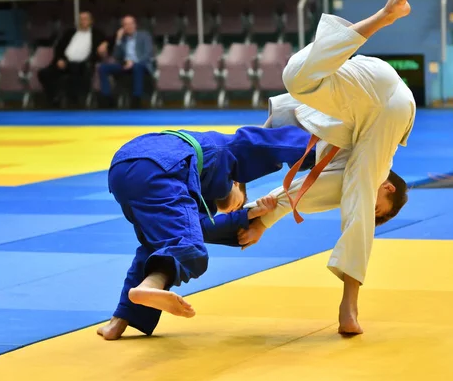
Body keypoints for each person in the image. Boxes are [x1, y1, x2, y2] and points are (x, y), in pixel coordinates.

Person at [239, 0, 415, 335]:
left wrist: (264, 215)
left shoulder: (355, 166)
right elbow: (358, 194)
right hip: (386, 93)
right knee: (358, 192)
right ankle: (383, 17)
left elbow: (311, 189)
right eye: (381, 210)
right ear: (390, 188)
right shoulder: (376, 160)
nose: (373, 215)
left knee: (296, 77)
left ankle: (348, 301)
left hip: (365, 99)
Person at [97, 125, 316, 340]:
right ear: (238, 183)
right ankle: (147, 286)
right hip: (163, 166)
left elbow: (201, 228)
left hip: (121, 169)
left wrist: (249, 218)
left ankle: (119, 321)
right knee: (191, 252)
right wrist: (319, 149)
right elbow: (266, 142)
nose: (231, 210)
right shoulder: (227, 150)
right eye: (238, 206)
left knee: (155, 245)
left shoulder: (199, 187)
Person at [37, 11, 108, 108]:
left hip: (83, 64)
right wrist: (60, 59)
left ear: (91, 21)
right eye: (80, 19)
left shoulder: (97, 34)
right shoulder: (70, 32)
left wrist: (105, 43)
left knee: (75, 70)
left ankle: (74, 101)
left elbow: (110, 41)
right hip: (64, 62)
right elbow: (59, 48)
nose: (82, 21)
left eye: (85, 19)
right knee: (43, 73)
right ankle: (54, 98)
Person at [98, 15, 154, 109]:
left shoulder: (144, 35)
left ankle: (136, 98)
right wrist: (118, 40)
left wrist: (133, 62)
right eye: (126, 24)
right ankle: (107, 97)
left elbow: (148, 54)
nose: (129, 26)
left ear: (135, 25)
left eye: (131, 23)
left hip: (141, 64)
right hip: (125, 64)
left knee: (137, 66)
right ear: (123, 27)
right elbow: (116, 56)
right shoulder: (123, 39)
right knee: (103, 67)